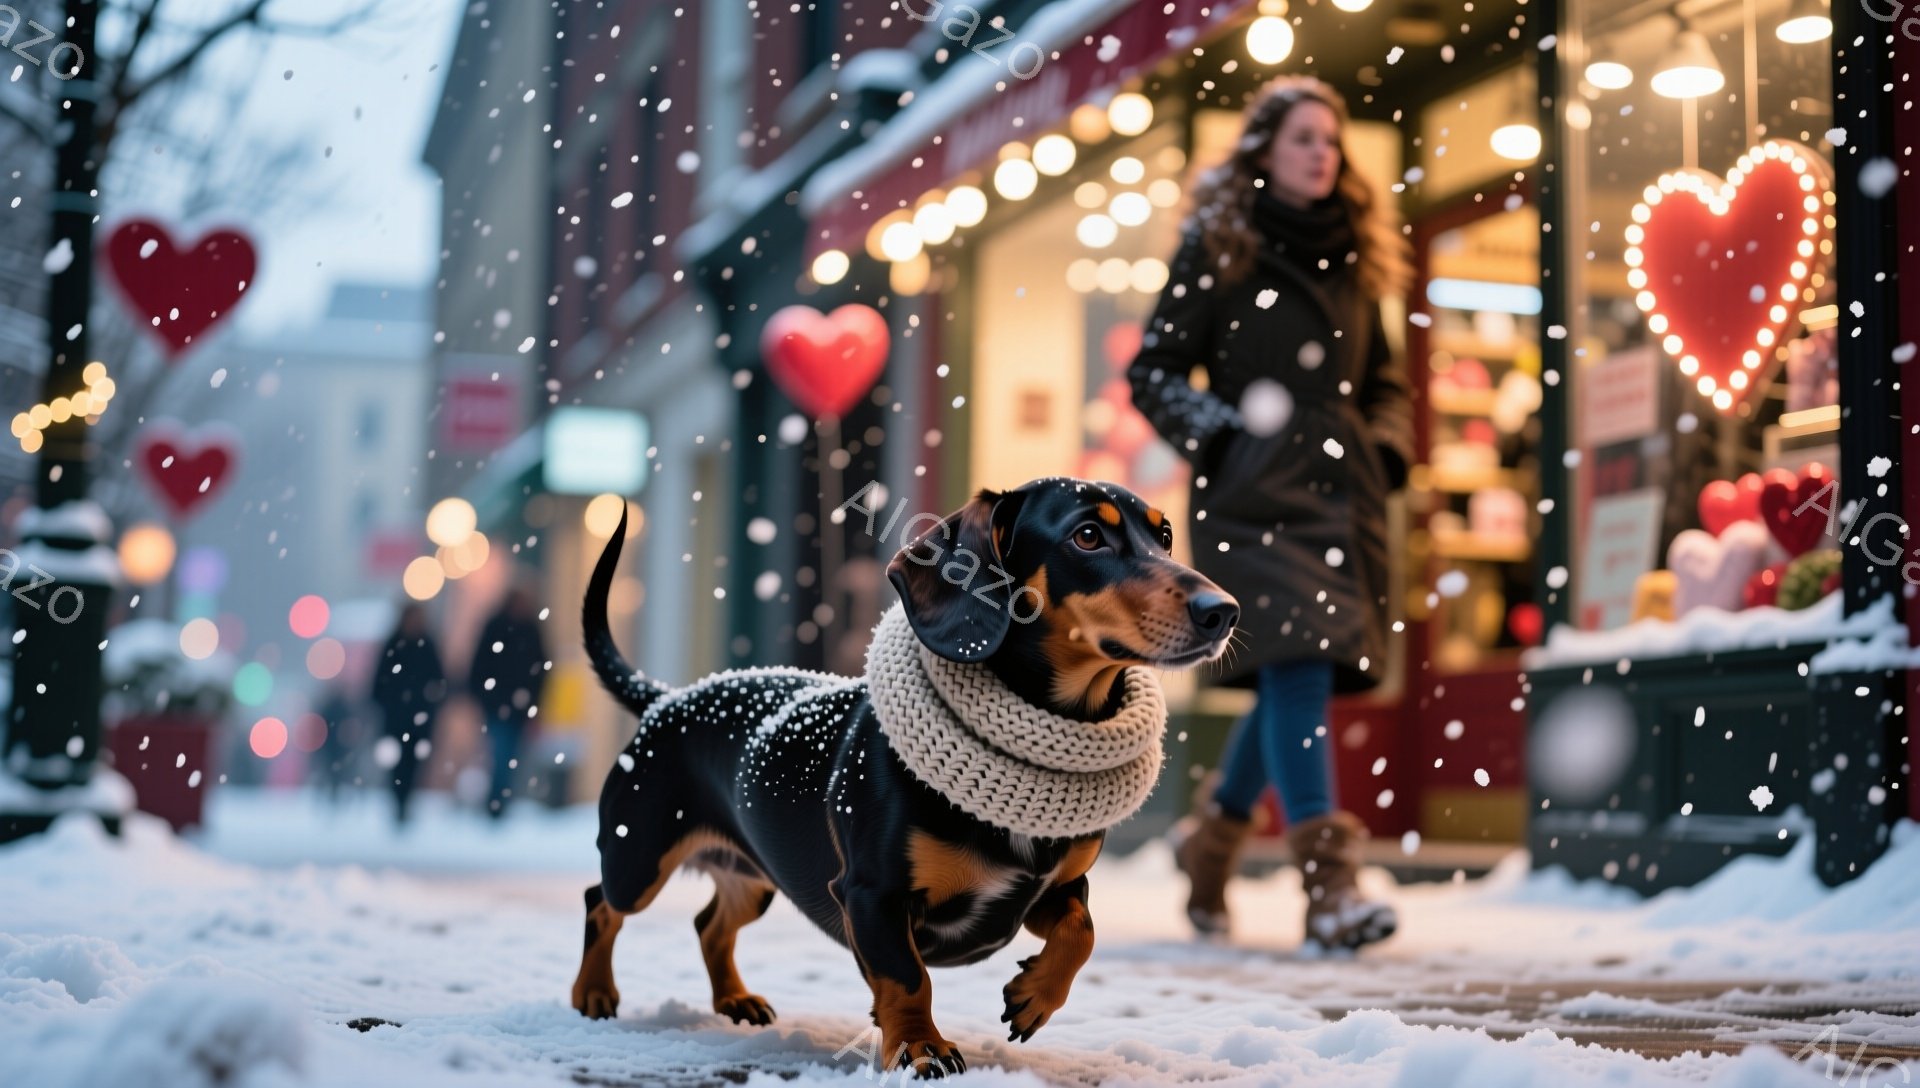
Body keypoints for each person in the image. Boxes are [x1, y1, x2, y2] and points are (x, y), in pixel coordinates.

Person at [1127, 76, 1413, 950]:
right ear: (1263, 151)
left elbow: (1385, 381)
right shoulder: (1219, 246)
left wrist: (1386, 447)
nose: (1322, 153)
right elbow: (1154, 369)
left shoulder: (1357, 255)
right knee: (1298, 663)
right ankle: (1330, 887)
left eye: (1331, 139)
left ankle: (1210, 844)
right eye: (1302, 138)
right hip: (1253, 497)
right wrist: (1221, 437)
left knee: (1299, 667)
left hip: (1343, 494)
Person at [466, 580, 548, 819]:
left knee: (510, 755)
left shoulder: (530, 630)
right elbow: (481, 666)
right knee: (502, 755)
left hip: (517, 708)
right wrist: (486, 697)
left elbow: (541, 670)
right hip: (499, 705)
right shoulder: (499, 628)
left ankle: (499, 800)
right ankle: (497, 801)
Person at [370, 601, 448, 826]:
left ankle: (405, 800)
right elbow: (380, 681)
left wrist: (431, 702)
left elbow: (439, 679)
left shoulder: (427, 645)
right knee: (397, 763)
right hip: (397, 718)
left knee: (413, 763)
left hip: (419, 719)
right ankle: (399, 800)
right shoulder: (395, 644)